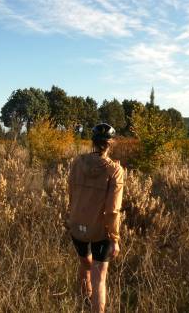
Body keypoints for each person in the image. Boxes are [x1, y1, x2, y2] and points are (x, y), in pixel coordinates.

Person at [67, 123, 124, 313]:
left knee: (85, 265)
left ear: (92, 142)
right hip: (101, 231)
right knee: (100, 277)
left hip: (76, 226)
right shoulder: (115, 170)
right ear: (111, 143)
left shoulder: (77, 163)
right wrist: (114, 239)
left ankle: (85, 303)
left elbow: (71, 193)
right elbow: (112, 210)